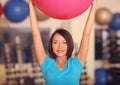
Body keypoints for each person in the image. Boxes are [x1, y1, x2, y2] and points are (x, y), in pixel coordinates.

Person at [29, 0, 96, 85]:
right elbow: (36, 35)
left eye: (64, 42)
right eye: (56, 42)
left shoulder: (76, 63)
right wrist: (31, 5)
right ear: (51, 45)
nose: (60, 46)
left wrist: (93, 6)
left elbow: (86, 34)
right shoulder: (46, 63)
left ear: (69, 45)